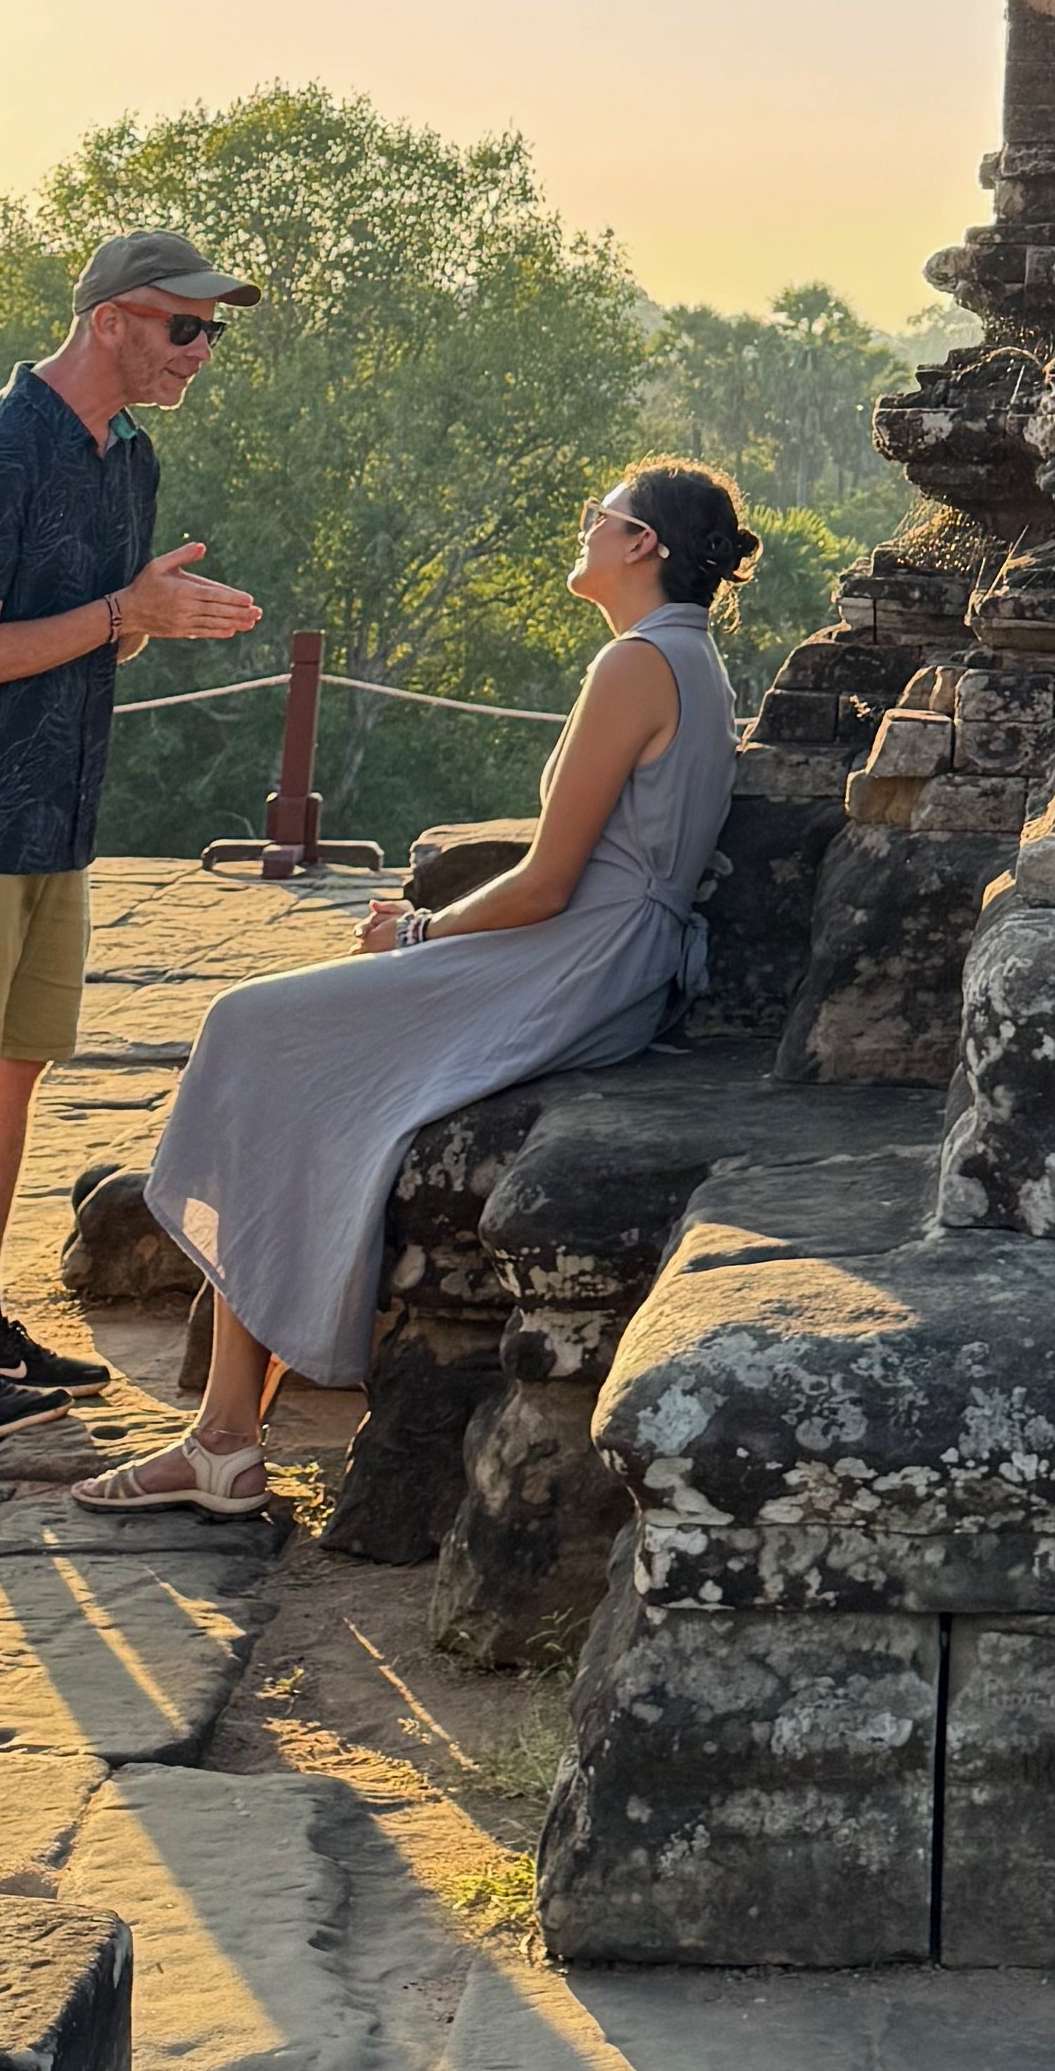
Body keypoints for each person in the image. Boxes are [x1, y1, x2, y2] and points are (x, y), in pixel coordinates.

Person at [72, 460, 758, 1517]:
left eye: (601, 516)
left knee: (253, 1027)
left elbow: (544, 881)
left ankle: (221, 1437)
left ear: (643, 547)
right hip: (611, 957)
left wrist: (422, 928)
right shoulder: (691, 661)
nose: (585, 529)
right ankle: (224, 1433)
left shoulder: (636, 663)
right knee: (289, 1059)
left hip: (577, 959)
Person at [0, 230, 263, 1445]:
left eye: (212, 330)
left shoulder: (125, 456)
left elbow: (96, 630)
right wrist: (122, 611)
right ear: (110, 322)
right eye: (185, 327)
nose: (203, 351)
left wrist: (153, 620)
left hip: (55, 814)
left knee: (16, 1067)